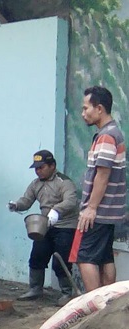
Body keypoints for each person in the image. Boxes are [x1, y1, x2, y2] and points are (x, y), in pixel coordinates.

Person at [8, 150, 79, 305]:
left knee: (61, 261)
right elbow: (26, 200)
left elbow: (71, 201)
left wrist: (56, 210)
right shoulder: (35, 184)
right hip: (45, 225)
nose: (38, 171)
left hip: (65, 226)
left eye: (41, 167)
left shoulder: (64, 182)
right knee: (37, 256)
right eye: (36, 168)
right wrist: (16, 205)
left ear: (52, 165)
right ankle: (35, 289)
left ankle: (67, 292)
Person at [75, 86, 127, 292]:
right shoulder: (112, 133)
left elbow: (102, 175)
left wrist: (91, 208)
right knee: (105, 256)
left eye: (86, 108)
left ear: (99, 109)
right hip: (109, 212)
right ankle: (108, 305)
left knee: (84, 256)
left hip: (99, 211)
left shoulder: (107, 136)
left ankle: (95, 305)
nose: (83, 113)